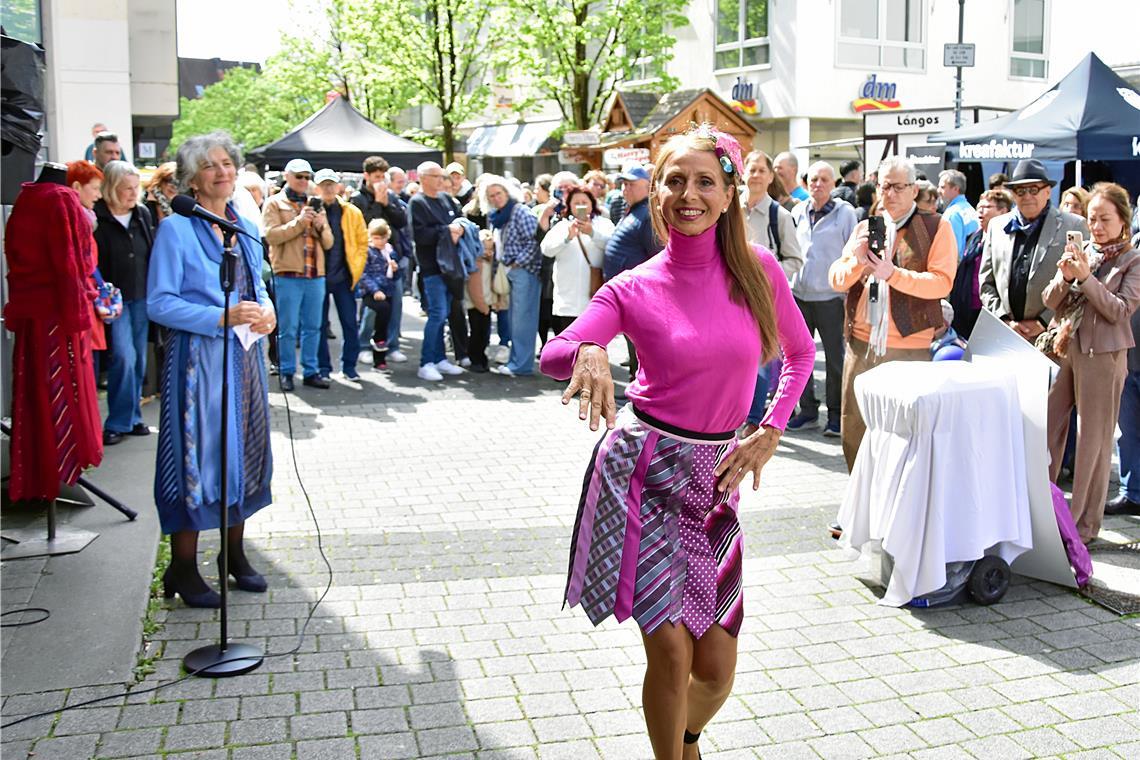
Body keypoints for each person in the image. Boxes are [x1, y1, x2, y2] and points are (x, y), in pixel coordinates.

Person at [539, 126, 814, 760]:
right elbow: (556, 354)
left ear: (728, 196)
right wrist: (588, 348)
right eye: (674, 180)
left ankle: (687, 742)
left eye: (704, 182)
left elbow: (800, 354)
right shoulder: (632, 285)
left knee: (715, 668)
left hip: (716, 478)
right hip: (643, 474)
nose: (688, 194)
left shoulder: (759, 271)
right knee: (668, 648)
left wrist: (770, 428)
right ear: (656, 191)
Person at [147, 130, 275, 607]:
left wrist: (267, 310)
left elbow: (256, 284)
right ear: (192, 180)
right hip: (197, 365)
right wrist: (218, 317)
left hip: (245, 358)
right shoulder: (175, 228)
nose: (223, 171)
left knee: (244, 449)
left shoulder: (243, 221)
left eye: (227, 163)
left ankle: (233, 555)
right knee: (197, 458)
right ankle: (181, 567)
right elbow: (160, 303)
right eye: (210, 166)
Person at [830, 156, 957, 471]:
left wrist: (893, 274)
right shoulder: (866, 226)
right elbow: (836, 279)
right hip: (862, 343)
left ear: (914, 190)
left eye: (898, 187)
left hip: (910, 346)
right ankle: (861, 508)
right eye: (884, 186)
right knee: (855, 428)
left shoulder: (936, 226)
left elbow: (941, 284)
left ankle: (901, 509)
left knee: (906, 434)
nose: (890, 193)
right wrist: (858, 260)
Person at [1041, 183, 1140, 543]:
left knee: (1092, 442)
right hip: (1066, 347)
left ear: (1123, 222)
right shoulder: (1082, 251)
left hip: (1105, 355)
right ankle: (1041, 508)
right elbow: (1050, 300)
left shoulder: (1133, 260)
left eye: (1104, 219)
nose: (1096, 226)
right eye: (1092, 218)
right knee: (1048, 427)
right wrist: (1066, 276)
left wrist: (1085, 277)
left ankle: (1082, 526)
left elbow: (1119, 310)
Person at [979, 159, 1089, 342]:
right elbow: (986, 281)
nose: (1027, 196)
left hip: (1052, 334)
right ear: (1013, 194)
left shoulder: (1073, 224)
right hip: (1006, 334)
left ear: (1047, 191)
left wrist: (1044, 321)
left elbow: (1081, 282)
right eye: (1020, 191)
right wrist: (1004, 319)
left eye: (1034, 189)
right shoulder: (997, 226)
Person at [787, 161, 858, 436]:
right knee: (799, 357)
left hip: (831, 297)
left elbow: (851, 254)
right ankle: (807, 411)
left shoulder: (845, 213)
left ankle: (835, 416)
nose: (818, 184)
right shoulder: (797, 211)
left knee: (834, 359)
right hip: (800, 295)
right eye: (814, 179)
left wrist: (847, 293)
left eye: (824, 180)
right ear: (807, 182)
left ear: (833, 184)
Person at [740, 150, 805, 437]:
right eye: (750, 170)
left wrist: (766, 273)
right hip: (728, 297)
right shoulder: (726, 209)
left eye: (760, 171)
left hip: (763, 300)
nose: (754, 175)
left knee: (762, 363)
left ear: (770, 177)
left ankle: (753, 419)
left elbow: (795, 260)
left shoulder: (781, 215)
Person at [93, 160, 155, 445]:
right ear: (110, 188)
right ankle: (117, 421)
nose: (132, 193)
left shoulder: (141, 214)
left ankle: (133, 417)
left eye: (135, 188)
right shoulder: (98, 216)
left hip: (141, 295)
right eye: (125, 188)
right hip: (113, 301)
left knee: (139, 359)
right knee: (123, 358)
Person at [263, 158, 334, 391]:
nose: (304, 181)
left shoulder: (316, 204)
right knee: (288, 328)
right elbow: (272, 236)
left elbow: (329, 242)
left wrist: (320, 225)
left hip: (315, 274)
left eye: (307, 177)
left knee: (314, 326)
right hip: (287, 274)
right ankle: (286, 372)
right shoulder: (274, 203)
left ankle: (311, 371)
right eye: (299, 176)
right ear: (287, 176)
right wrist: (299, 222)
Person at [603, 162, 663, 382]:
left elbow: (657, 255)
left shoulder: (647, 215)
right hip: (629, 295)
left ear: (647, 186)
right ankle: (634, 383)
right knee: (633, 342)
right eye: (623, 184)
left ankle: (637, 386)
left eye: (630, 184)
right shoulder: (634, 211)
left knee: (640, 345)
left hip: (639, 295)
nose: (625, 189)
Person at [410, 161, 467, 382]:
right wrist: (446, 231)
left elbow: (458, 220)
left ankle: (440, 358)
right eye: (436, 176)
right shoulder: (417, 203)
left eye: (442, 176)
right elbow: (420, 235)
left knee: (446, 313)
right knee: (437, 313)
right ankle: (426, 362)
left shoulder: (445, 199)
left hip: (451, 267)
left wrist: (459, 228)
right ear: (423, 178)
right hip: (432, 267)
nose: (441, 180)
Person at [313, 168, 368, 381]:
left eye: (331, 184)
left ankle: (349, 367)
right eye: (323, 184)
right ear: (317, 187)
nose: (327, 188)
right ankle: (324, 369)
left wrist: (357, 266)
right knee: (318, 325)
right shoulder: (312, 209)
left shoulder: (351, 212)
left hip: (345, 276)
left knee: (349, 323)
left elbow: (363, 242)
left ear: (338, 186)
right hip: (317, 276)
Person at [486, 174, 542, 377]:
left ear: (507, 192)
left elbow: (533, 242)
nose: (495, 198)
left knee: (523, 320)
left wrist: (517, 262)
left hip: (524, 271)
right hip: (509, 271)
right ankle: (516, 361)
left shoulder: (520, 211)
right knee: (514, 319)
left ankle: (521, 365)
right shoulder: (498, 215)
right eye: (491, 195)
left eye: (498, 193)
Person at [540, 183, 614, 334]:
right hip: (567, 300)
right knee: (570, 346)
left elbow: (612, 244)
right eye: (576, 203)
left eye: (584, 203)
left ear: (592, 204)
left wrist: (592, 233)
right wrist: (567, 238)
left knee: (594, 345)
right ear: (569, 205)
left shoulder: (603, 224)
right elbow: (546, 250)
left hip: (595, 296)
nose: (581, 206)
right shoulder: (562, 226)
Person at [950, 189, 1012, 339]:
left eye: (987, 207)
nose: (981, 211)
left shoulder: (1008, 239)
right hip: (965, 307)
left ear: (1003, 211)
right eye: (979, 207)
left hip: (989, 310)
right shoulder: (975, 236)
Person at [359, 219, 401, 369]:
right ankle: (364, 345)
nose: (380, 241)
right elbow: (363, 274)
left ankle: (380, 359)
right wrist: (375, 290)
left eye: (382, 237)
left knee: (385, 318)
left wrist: (395, 270)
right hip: (372, 292)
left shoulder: (390, 251)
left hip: (387, 290)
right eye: (376, 238)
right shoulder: (367, 251)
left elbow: (396, 276)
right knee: (373, 315)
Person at [937, 169, 980, 258]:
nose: (938, 190)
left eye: (942, 187)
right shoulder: (969, 209)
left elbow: (954, 251)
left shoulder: (953, 214)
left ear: (956, 189)